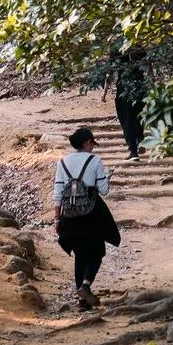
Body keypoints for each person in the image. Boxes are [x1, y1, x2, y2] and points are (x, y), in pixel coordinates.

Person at [53, 127, 121, 311]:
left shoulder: (62, 163)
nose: (93, 146)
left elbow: (58, 193)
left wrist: (57, 219)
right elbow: (104, 190)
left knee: (80, 256)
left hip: (69, 215)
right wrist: (107, 177)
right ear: (87, 142)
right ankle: (86, 285)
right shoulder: (95, 161)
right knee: (97, 252)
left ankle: (82, 302)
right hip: (91, 214)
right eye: (92, 143)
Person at [103, 49, 148, 160]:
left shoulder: (117, 49)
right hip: (140, 87)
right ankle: (140, 138)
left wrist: (104, 92)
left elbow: (110, 72)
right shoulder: (139, 47)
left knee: (126, 120)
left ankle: (133, 151)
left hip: (124, 89)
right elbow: (148, 65)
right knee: (138, 116)